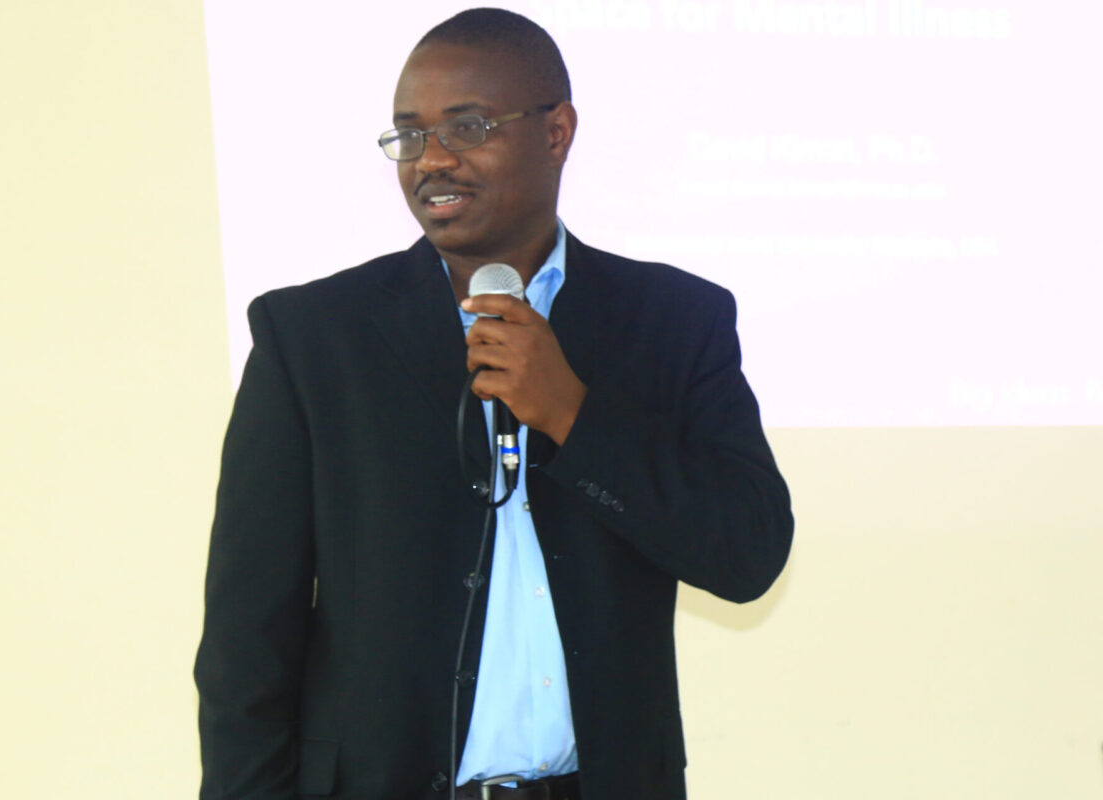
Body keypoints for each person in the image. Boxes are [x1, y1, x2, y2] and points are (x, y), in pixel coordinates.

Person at [194, 8, 793, 800]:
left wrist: (574, 416)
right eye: (409, 135)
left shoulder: (674, 321)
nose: (432, 160)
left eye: (468, 126)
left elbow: (747, 555)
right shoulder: (311, 340)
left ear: (556, 132)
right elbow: (247, 645)